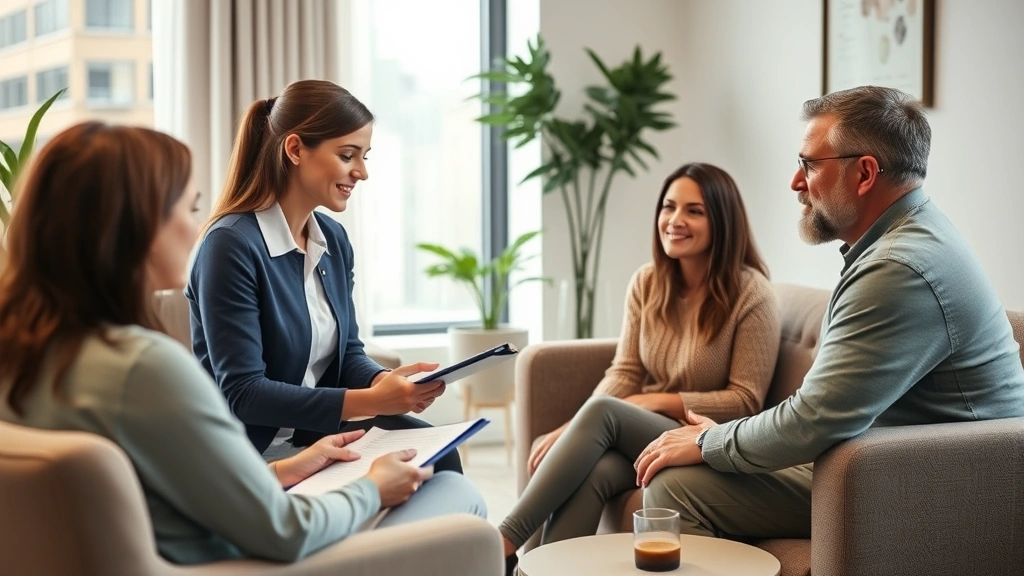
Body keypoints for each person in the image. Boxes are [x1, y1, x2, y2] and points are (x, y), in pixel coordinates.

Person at [0, 122, 485, 565]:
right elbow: (284, 531)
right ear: (133, 226)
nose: (197, 227)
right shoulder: (144, 369)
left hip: (186, 542)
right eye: (187, 208)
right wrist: (373, 490)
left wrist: (283, 472)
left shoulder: (30, 355)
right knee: (461, 508)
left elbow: (165, 486)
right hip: (229, 563)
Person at [634, 85, 1024, 541]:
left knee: (675, 488)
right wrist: (723, 437)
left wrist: (708, 441)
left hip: (934, 482)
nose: (795, 183)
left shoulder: (896, 268)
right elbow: (824, 409)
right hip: (895, 456)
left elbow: (815, 418)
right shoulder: (912, 236)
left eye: (808, 164)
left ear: (864, 173)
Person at [499, 162, 782, 572]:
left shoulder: (751, 294)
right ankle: (537, 570)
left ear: (723, 220)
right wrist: (568, 430)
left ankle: (505, 540)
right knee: (598, 470)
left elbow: (745, 401)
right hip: (649, 433)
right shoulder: (648, 282)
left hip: (708, 438)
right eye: (668, 207)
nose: (675, 220)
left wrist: (656, 401)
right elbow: (625, 372)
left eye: (694, 211)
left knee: (602, 412)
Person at [185, 79, 459, 472]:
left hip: (312, 437)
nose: (361, 172)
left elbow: (346, 353)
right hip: (248, 457)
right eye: (348, 155)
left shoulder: (332, 237)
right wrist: (372, 401)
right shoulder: (230, 246)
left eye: (365, 156)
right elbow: (244, 394)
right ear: (295, 149)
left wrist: (382, 381)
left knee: (439, 453)